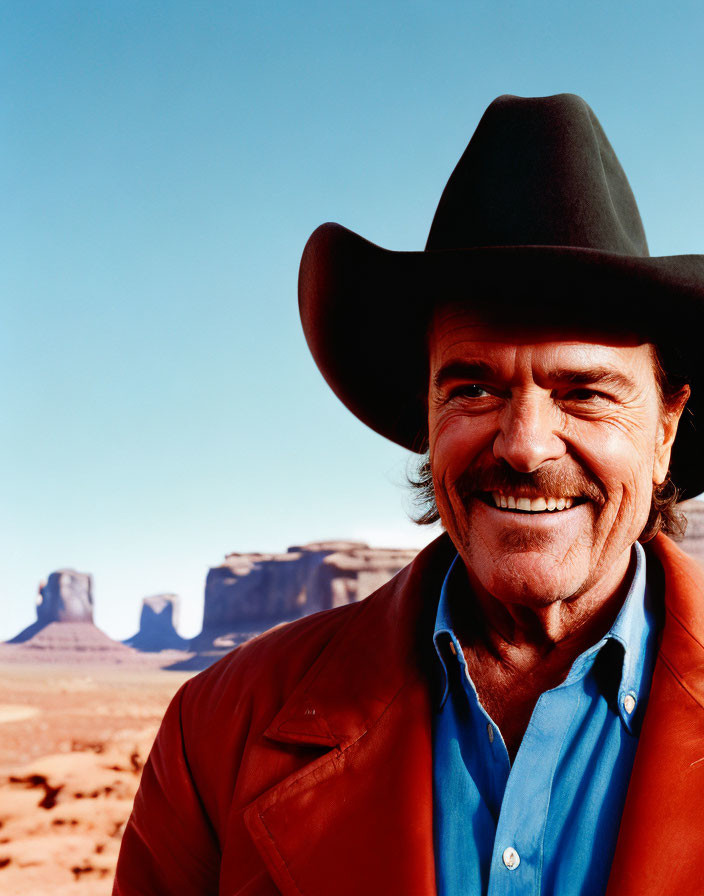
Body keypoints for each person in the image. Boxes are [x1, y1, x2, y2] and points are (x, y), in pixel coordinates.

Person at [113, 94, 704, 896]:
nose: (525, 445)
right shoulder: (217, 734)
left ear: (667, 428)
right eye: (473, 387)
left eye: (585, 392)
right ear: (426, 413)